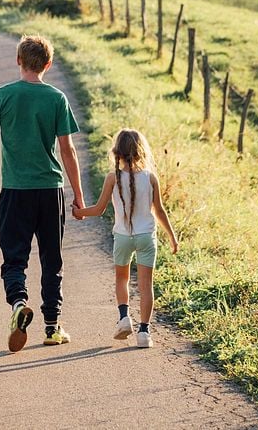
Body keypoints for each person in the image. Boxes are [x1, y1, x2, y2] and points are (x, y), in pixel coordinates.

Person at [0, 34, 84, 353]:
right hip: (50, 190)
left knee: (15, 257)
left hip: (14, 191)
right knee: (51, 259)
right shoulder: (56, 98)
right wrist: (78, 194)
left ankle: (18, 303)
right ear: (48, 64)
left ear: (18, 60)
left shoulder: (3, 95)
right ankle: (52, 327)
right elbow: (68, 151)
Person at [72, 128, 178, 348]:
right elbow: (159, 210)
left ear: (116, 152)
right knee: (146, 284)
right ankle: (144, 333)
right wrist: (172, 237)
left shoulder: (113, 178)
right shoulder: (150, 178)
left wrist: (78, 212)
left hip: (122, 236)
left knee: (122, 279)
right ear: (141, 152)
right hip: (146, 236)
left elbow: (99, 209)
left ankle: (124, 318)